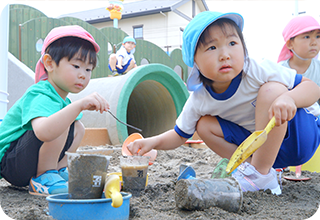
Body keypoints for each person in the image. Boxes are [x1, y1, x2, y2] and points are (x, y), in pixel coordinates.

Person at [127, 11, 320, 195]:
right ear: (195, 61)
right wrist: (151, 142)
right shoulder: (200, 99)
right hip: (267, 152)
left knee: (273, 90)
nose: (225, 54)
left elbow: (312, 88)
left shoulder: (255, 69)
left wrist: (289, 98)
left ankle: (259, 174)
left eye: (232, 43)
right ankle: (253, 169)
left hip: (298, 135)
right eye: (212, 47)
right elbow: (179, 135)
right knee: (203, 125)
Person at [0, 25, 110, 196]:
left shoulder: (62, 99)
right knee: (61, 120)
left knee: (78, 126)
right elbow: (44, 131)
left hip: (26, 162)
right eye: (76, 66)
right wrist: (78, 105)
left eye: (88, 69)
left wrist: (75, 108)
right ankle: (44, 176)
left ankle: (59, 170)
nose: (83, 75)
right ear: (49, 64)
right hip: (10, 163)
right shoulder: (40, 92)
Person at [278, 15, 320, 85]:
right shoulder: (280, 70)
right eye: (307, 37)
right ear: (290, 44)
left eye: (318, 36)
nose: (314, 43)